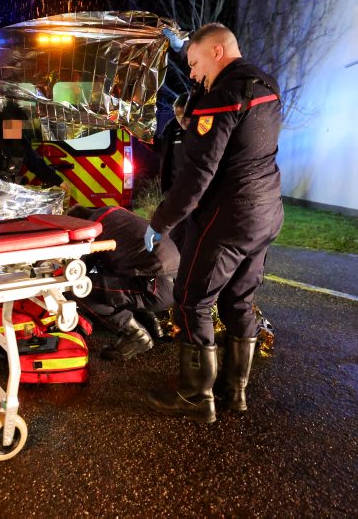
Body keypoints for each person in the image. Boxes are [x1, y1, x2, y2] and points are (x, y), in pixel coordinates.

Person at [144, 23, 284, 423]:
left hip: (228, 218)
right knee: (237, 301)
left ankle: (195, 396)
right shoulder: (265, 85)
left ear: (217, 53)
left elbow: (197, 174)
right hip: (267, 212)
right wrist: (185, 49)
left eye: (194, 63)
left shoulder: (221, 98)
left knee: (192, 301)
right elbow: (208, 65)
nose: (192, 73)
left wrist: (161, 221)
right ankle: (235, 391)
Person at [67, 205, 179, 361]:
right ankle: (151, 326)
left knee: (78, 287)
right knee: (115, 279)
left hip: (156, 287)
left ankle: (135, 335)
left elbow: (78, 270)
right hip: (174, 280)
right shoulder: (116, 215)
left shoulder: (91, 230)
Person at [154, 92, 191, 249]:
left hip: (193, 191)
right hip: (174, 190)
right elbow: (161, 148)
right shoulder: (171, 127)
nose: (180, 120)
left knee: (192, 234)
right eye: (177, 115)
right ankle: (176, 260)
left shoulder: (201, 130)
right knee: (176, 234)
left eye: (183, 115)